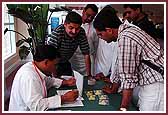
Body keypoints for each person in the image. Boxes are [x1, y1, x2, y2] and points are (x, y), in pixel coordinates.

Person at [93, 6, 164, 111]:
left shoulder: (127, 37)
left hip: (157, 84)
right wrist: (114, 88)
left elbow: (128, 78)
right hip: (152, 82)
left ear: (109, 30)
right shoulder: (126, 32)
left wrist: (123, 108)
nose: (100, 38)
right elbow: (120, 65)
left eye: (100, 34)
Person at [9, 45, 79, 111]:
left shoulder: (34, 67)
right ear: (46, 62)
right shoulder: (29, 77)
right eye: (55, 65)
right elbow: (37, 106)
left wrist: (65, 82)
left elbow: (46, 81)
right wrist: (64, 98)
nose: (56, 68)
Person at [47, 11, 92, 79]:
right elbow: (50, 56)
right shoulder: (58, 33)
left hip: (65, 61)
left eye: (77, 29)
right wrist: (54, 76)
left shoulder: (81, 32)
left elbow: (86, 54)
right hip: (53, 63)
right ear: (65, 24)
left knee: (70, 82)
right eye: (71, 28)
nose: (74, 31)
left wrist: (89, 75)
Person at [70, 4, 99, 76]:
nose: (89, 18)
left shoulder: (95, 28)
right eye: (88, 15)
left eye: (92, 17)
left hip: (87, 59)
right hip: (73, 57)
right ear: (83, 11)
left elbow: (96, 46)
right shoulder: (74, 21)